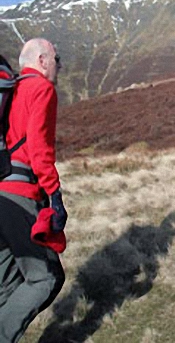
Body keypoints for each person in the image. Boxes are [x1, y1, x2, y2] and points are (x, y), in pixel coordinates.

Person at [0, 38, 67, 342]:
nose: (59, 66)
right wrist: (55, 195)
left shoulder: (10, 92)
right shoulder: (41, 89)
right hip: (20, 196)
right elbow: (39, 148)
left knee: (8, 284)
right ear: (42, 60)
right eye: (57, 59)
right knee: (47, 277)